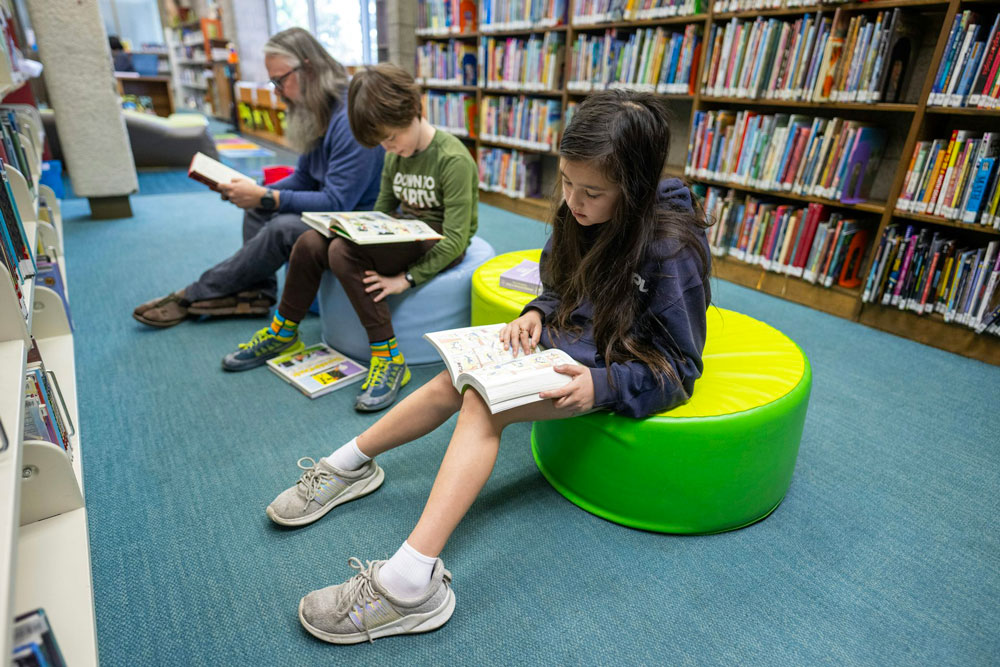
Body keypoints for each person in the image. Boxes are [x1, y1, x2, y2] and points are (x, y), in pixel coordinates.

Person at [263, 89, 713, 644]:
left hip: (610, 366)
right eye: (567, 182)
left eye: (592, 191)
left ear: (636, 188)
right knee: (452, 373)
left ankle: (410, 586)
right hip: (569, 338)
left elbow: (681, 367)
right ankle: (347, 465)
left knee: (481, 403)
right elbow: (560, 284)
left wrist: (605, 385)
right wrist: (537, 311)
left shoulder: (672, 248)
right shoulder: (582, 209)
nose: (573, 200)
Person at [220, 63, 478, 413]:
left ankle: (388, 355)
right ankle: (284, 331)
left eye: (391, 138)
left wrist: (407, 279)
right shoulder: (394, 155)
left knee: (342, 252)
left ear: (414, 111)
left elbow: (457, 239)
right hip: (403, 232)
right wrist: (347, 226)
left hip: (439, 241)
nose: (389, 147)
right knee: (311, 242)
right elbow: (383, 213)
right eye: (382, 142)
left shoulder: (452, 159)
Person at [133, 28, 384, 328]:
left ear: (309, 68)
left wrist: (268, 196)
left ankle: (193, 293)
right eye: (273, 81)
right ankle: (256, 293)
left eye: (280, 80)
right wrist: (258, 192)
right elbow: (304, 177)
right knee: (258, 208)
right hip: (330, 212)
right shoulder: (320, 108)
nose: (277, 91)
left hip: (356, 220)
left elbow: (337, 200)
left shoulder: (349, 119)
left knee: (281, 226)